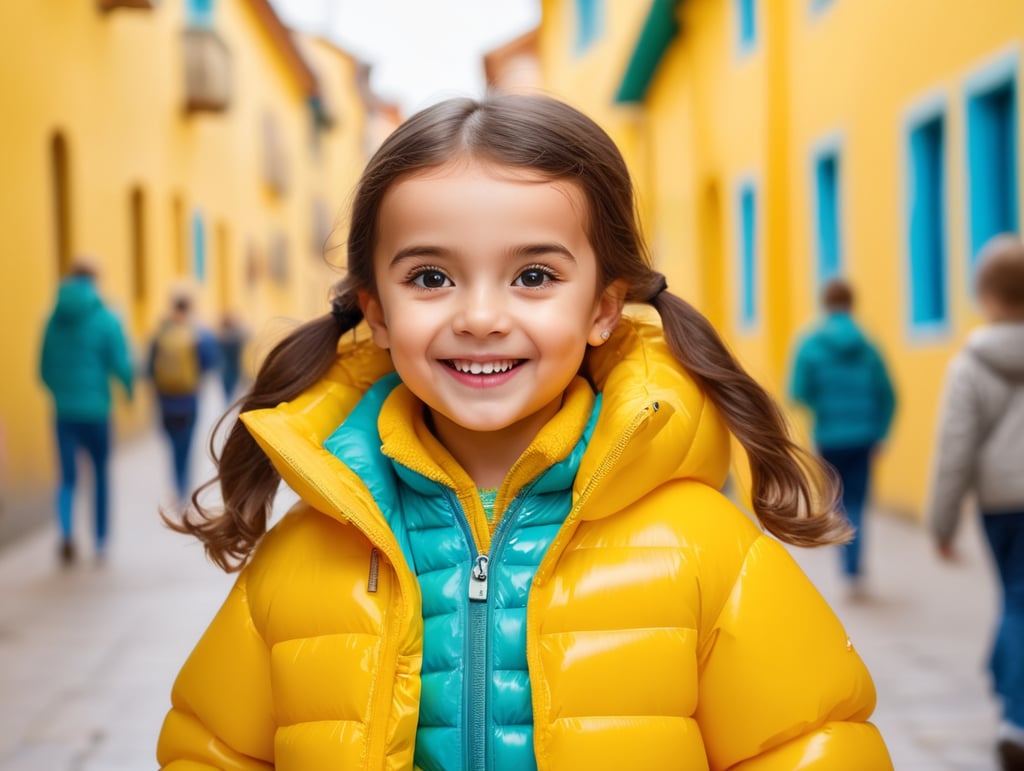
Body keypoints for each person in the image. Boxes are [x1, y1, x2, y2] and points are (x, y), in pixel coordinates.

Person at [157, 94, 892, 769]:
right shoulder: (303, 554)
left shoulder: (705, 548)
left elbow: (812, 745)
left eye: (533, 276)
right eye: (431, 278)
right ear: (375, 311)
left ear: (603, 307)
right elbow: (208, 747)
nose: (480, 316)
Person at [927, 233, 1024, 770]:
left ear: (984, 296)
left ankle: (1015, 714)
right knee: (1019, 597)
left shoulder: (970, 365)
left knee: (1016, 595)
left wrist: (942, 523)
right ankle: (1006, 679)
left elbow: (954, 451)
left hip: (1003, 505)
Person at [788, 278, 896, 599]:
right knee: (858, 502)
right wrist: (881, 432)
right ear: (852, 303)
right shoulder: (869, 345)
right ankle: (854, 567)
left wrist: (822, 404)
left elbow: (798, 392)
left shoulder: (810, 345)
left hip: (830, 436)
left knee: (836, 500)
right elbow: (888, 395)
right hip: (864, 437)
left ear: (826, 303)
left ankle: (845, 563)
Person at [39, 255, 133, 565]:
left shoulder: (52, 319)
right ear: (95, 280)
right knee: (101, 474)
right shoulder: (106, 317)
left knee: (66, 477)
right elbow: (120, 363)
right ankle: (101, 542)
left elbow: (43, 369)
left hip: (64, 412)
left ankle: (66, 532)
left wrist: (62, 394)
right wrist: (129, 391)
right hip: (96, 411)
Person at [148, 289, 218, 504]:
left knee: (172, 444)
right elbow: (210, 362)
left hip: (165, 400)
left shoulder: (160, 333)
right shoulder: (198, 334)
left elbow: (149, 368)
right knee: (185, 445)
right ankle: (183, 488)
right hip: (189, 399)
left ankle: (176, 485)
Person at [216, 311, 249, 404]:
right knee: (235, 385)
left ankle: (228, 401)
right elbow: (247, 334)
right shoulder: (237, 335)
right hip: (235, 365)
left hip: (224, 366)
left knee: (227, 387)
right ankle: (231, 401)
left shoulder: (221, 335)